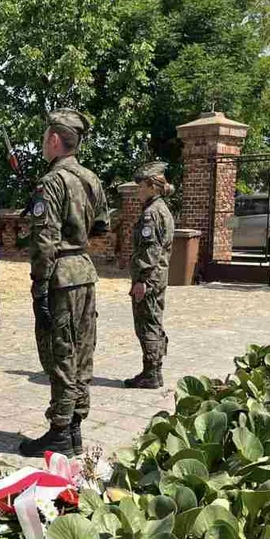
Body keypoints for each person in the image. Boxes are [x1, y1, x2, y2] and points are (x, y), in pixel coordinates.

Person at [18, 108, 108, 458]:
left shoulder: (52, 181)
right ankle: (74, 429)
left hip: (60, 276)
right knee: (82, 351)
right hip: (84, 271)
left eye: (45, 138)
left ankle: (59, 430)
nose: (44, 143)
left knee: (60, 352)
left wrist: (39, 284)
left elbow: (44, 240)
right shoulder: (90, 178)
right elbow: (101, 227)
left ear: (55, 139)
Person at [124, 162, 175, 389]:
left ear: (153, 187)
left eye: (141, 187)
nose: (138, 191)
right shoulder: (160, 209)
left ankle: (152, 372)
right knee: (152, 320)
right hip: (158, 275)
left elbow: (150, 250)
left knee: (147, 324)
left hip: (150, 277)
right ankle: (152, 369)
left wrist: (142, 280)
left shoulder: (151, 214)